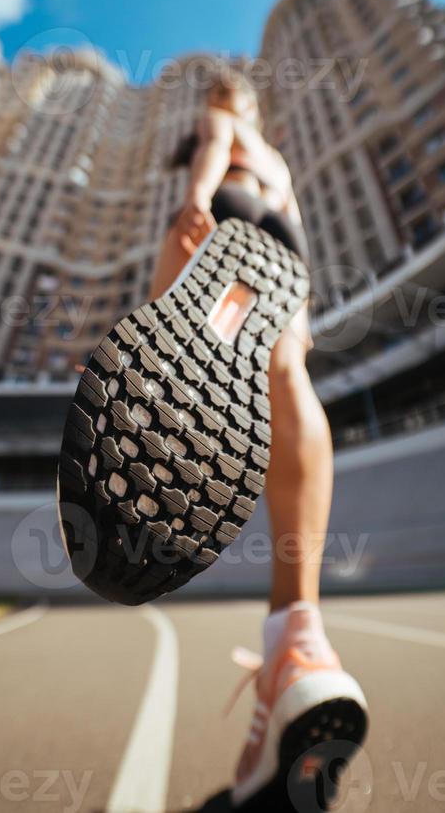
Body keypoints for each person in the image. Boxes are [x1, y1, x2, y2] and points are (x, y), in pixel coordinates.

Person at [150, 69, 368, 807]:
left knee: (175, 328)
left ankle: (166, 386)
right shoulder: (275, 151)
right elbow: (293, 216)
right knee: (287, 372)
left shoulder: (224, 126)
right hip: (288, 236)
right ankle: (297, 649)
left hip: (232, 210)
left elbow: (210, 150)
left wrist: (194, 198)